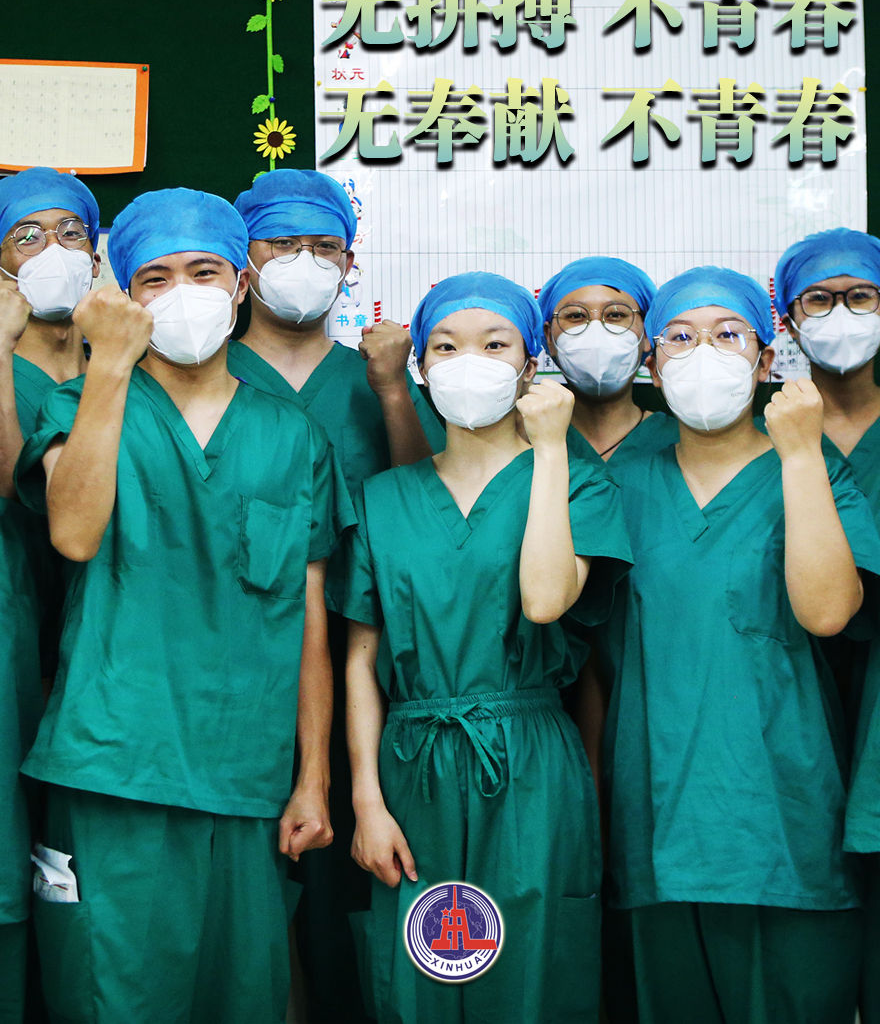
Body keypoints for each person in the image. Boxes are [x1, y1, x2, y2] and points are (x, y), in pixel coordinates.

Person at [15, 187, 352, 1024]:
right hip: (113, 767)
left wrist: (312, 779)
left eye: (204, 272)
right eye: (155, 278)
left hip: (246, 777)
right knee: (114, 999)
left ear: (242, 284)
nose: (183, 294)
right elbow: (74, 534)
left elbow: (309, 619)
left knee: (243, 999)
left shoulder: (294, 438)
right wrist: (110, 365)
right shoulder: (79, 406)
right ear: (124, 295)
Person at [341, 271, 632, 1024]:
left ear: (532, 364)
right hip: (412, 763)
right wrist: (367, 802)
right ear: (420, 366)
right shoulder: (383, 499)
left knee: (533, 978)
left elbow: (545, 599)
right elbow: (361, 664)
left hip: (530, 761)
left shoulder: (578, 484)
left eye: (495, 344)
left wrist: (551, 450)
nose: (469, 361)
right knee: (422, 980)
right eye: (446, 346)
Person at [598, 265, 880, 1024]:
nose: (704, 354)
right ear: (652, 365)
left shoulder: (811, 468)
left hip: (784, 819)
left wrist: (800, 455)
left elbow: (829, 611)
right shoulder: (621, 483)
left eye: (728, 335)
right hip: (658, 822)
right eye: (680, 338)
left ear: (765, 361)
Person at [231, 167, 443, 1024]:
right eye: (282, 244)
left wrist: (393, 388)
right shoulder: (201, 376)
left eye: (325, 248)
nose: (304, 263)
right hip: (235, 677)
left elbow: (427, 506)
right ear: (243, 260)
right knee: (246, 921)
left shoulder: (372, 378)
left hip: (368, 676)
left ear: (351, 265)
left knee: (349, 915)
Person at [0, 168, 100, 1024]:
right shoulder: (8, 373)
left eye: (71, 231)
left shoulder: (118, 371)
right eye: (26, 235)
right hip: (18, 653)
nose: (52, 249)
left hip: (101, 664)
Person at [775, 227, 880, 1023]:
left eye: (861, 297)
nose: (841, 313)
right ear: (786, 320)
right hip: (786, 701)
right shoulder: (753, 440)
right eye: (820, 299)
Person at [538, 255, 672, 462]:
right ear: (549, 338)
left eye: (616, 315)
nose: (596, 332)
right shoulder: (530, 442)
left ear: (646, 333)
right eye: (576, 316)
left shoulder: (682, 442)